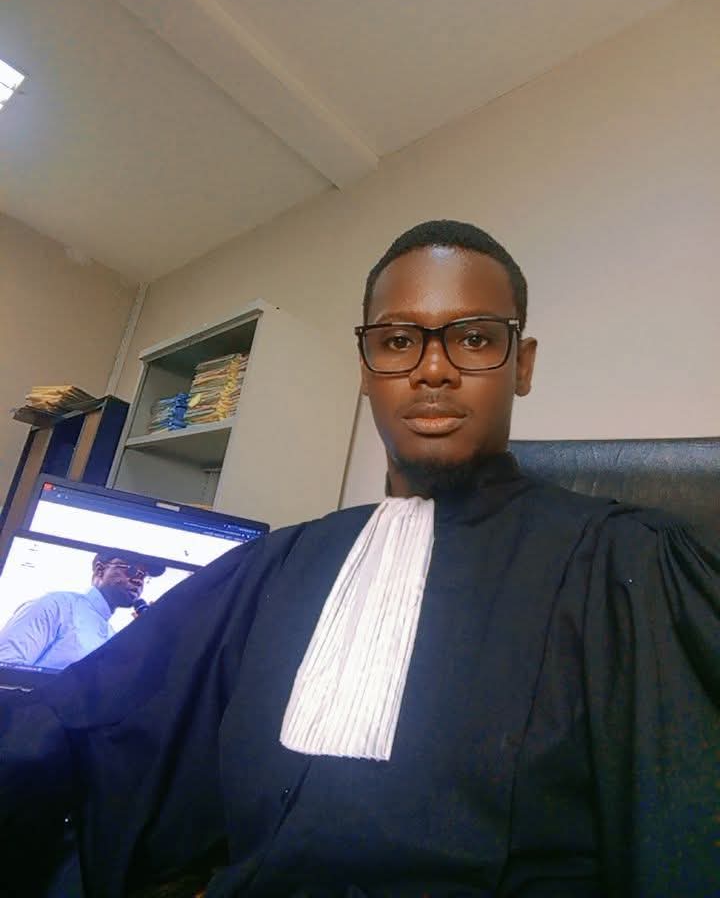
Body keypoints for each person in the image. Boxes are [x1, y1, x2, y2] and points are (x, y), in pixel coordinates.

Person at [0, 220, 718, 898]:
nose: (432, 369)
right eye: (398, 340)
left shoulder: (628, 567)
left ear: (521, 365)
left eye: (472, 338)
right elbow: (83, 721)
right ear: (367, 370)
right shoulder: (278, 565)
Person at [0, 549, 166, 670]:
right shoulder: (56, 606)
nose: (138, 580)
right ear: (100, 570)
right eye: (131, 570)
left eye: (143, 576)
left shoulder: (111, 635)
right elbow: (6, 667)